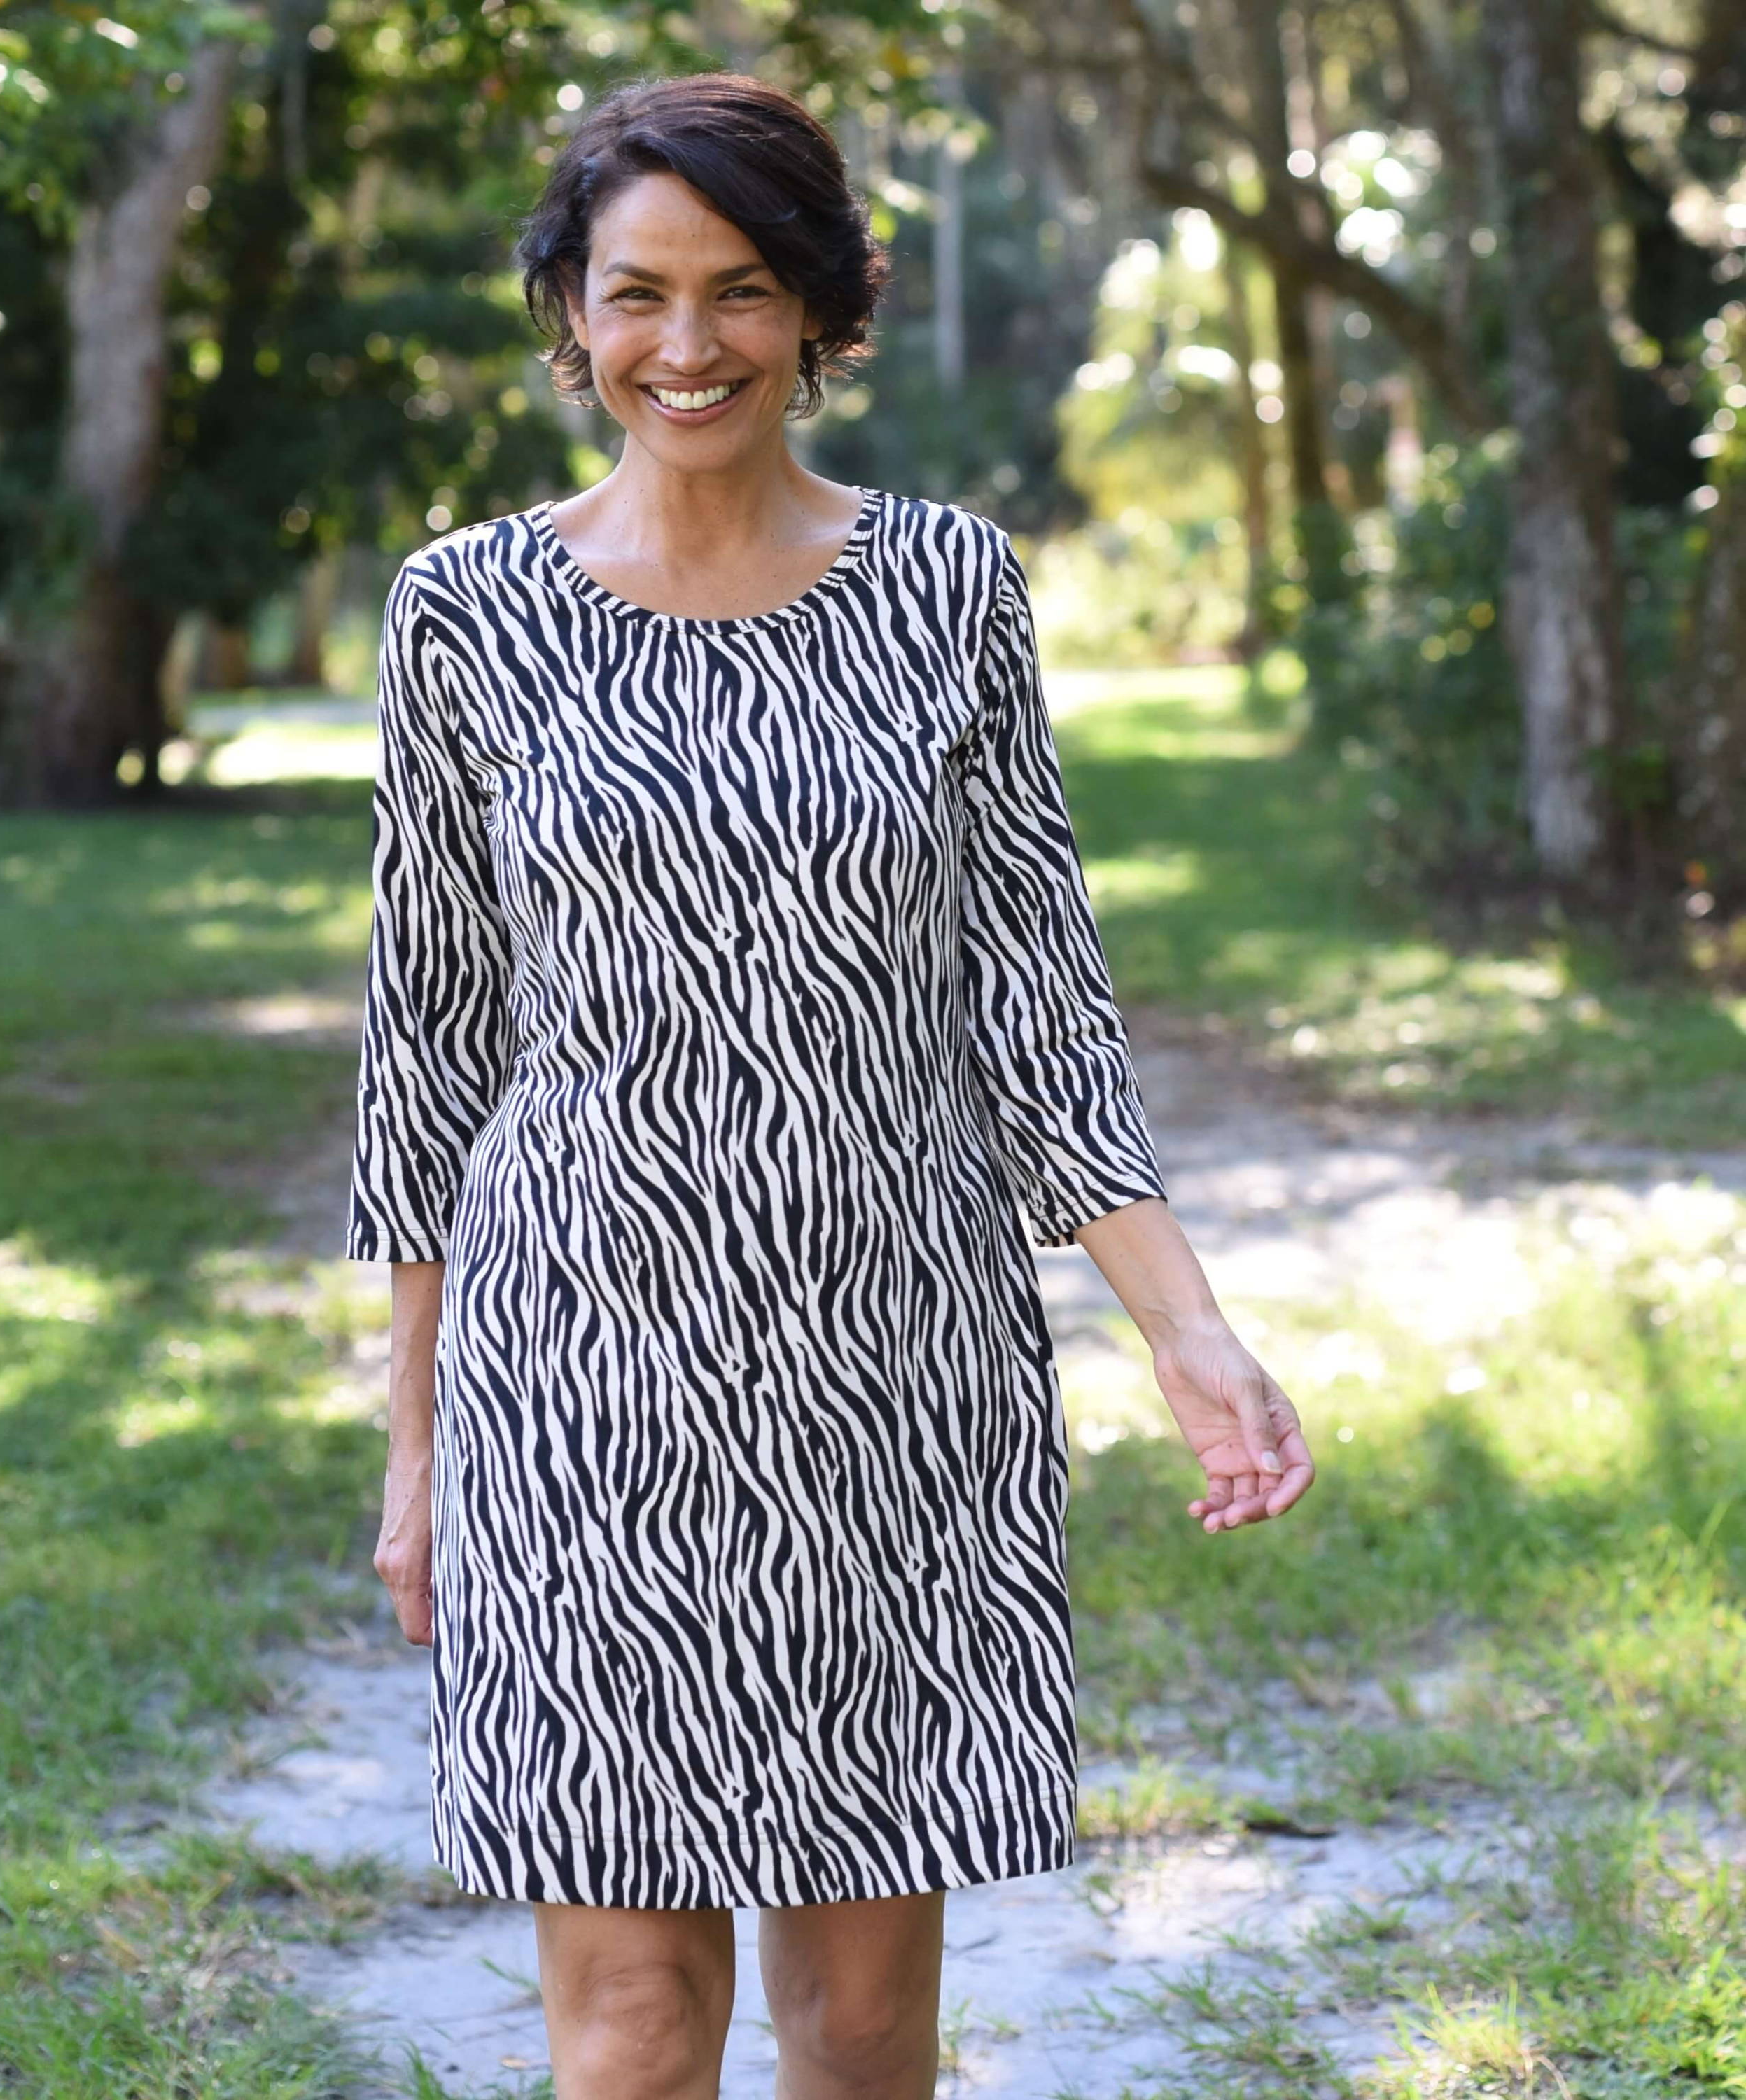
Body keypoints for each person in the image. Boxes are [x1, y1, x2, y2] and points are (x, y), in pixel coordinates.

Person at [345, 69, 1316, 2100]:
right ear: (569, 311)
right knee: (625, 2027)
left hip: (893, 1364)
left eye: (742, 292)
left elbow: (1036, 999)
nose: (683, 348)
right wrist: (418, 1443)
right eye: (635, 294)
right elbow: (429, 1050)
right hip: (583, 1383)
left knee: (866, 2027)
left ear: (822, 315)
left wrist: (1193, 1332)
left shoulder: (949, 591)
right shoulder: (466, 614)